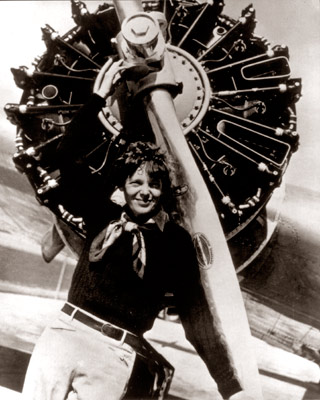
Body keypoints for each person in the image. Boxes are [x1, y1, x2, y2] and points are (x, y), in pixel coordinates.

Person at [22, 59, 244, 400]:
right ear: (122, 187)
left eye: (154, 184)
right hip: (64, 334)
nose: (145, 191)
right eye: (136, 181)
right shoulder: (102, 212)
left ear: (163, 191)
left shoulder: (175, 242)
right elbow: (66, 157)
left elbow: (196, 317)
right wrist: (98, 99)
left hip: (117, 355)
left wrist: (230, 387)